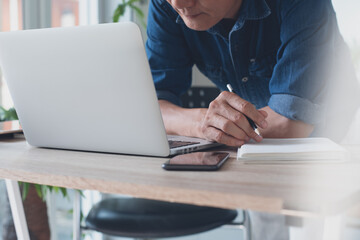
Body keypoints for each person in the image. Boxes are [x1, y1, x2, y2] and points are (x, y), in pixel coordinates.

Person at [145, 0, 360, 146]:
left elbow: (290, 123)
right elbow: (151, 108)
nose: (178, 4)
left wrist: (219, 127)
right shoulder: (167, 5)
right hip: (258, 141)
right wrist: (203, 123)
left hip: (340, 137)